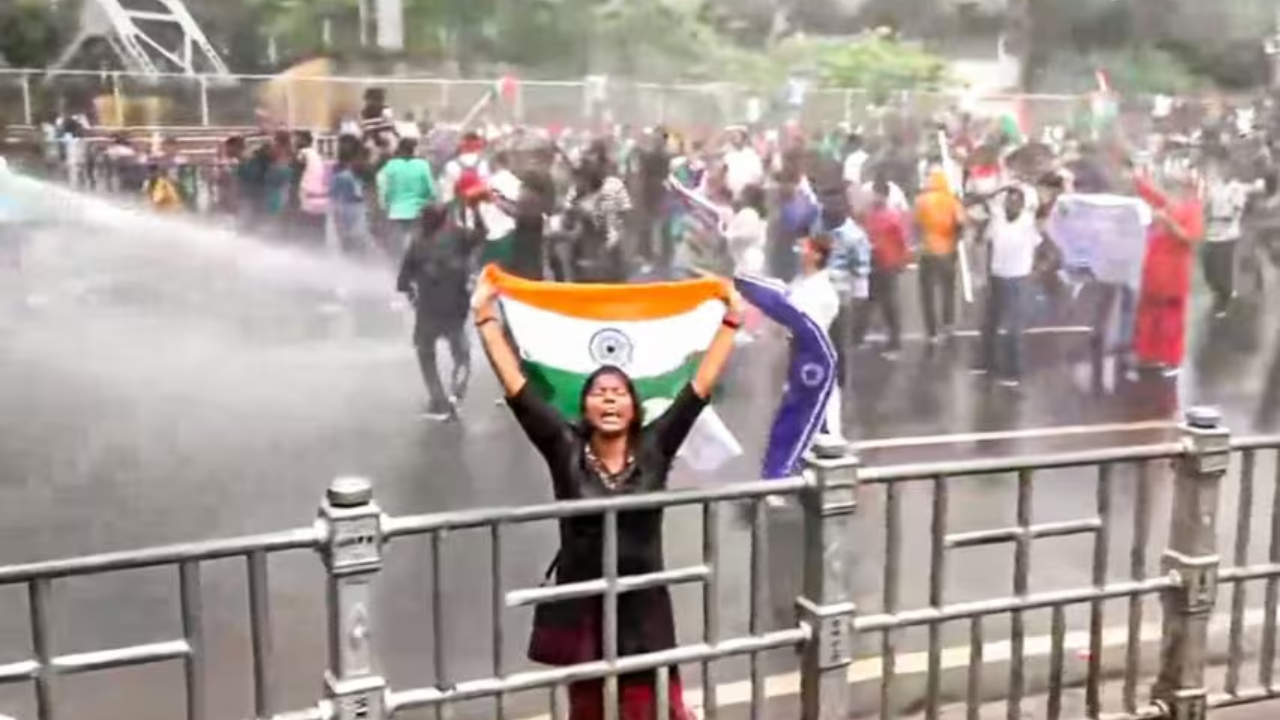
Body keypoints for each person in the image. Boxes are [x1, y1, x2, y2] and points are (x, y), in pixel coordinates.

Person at [471, 275, 743, 720]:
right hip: (584, 605)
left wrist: (732, 319)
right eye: (600, 393)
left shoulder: (655, 449)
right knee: (589, 709)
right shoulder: (564, 449)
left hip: (643, 606)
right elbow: (518, 389)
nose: (610, 400)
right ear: (585, 407)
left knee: (657, 705)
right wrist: (485, 317)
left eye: (619, 393)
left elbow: (698, 388)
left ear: (634, 407)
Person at [397, 205, 479, 420]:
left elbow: (403, 283)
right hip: (456, 309)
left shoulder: (417, 244)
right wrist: (476, 207)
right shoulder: (458, 236)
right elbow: (482, 233)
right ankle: (455, 396)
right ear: (445, 219)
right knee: (462, 356)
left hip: (427, 311)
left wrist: (415, 300)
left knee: (425, 353)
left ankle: (437, 397)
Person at [1131, 168, 1204, 377]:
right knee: (1147, 314)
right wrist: (1139, 176)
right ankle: (1146, 356)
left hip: (1174, 272)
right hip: (1154, 270)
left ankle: (1171, 360)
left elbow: (1190, 238)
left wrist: (1167, 222)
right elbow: (1149, 192)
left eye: (1181, 184)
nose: (1176, 188)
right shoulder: (1171, 204)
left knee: (1170, 317)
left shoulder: (1193, 210)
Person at [979, 186, 1040, 387]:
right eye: (1008, 201)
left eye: (1015, 202)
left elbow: (1041, 246)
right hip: (997, 278)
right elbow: (987, 243)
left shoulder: (1028, 223)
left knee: (1013, 329)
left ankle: (1014, 372)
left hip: (1018, 280)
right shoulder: (997, 220)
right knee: (989, 324)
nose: (1011, 205)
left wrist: (1036, 269)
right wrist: (1003, 187)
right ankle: (987, 364)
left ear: (1022, 205)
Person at [789, 233, 843, 440]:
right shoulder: (801, 281)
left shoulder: (821, 291)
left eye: (805, 248)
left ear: (817, 256)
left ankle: (829, 442)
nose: (799, 252)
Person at [854, 180, 907, 358]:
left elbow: (901, 242)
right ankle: (858, 338)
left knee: (889, 304)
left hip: (887, 264)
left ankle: (895, 343)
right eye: (873, 193)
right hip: (873, 262)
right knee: (868, 301)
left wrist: (901, 261)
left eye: (878, 194)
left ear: (885, 196)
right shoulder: (869, 215)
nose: (874, 197)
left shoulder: (892, 217)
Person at [914, 169, 967, 342]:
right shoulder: (951, 201)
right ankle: (948, 324)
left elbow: (916, 224)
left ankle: (931, 332)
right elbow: (961, 223)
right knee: (948, 289)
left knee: (927, 292)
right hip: (947, 251)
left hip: (927, 251)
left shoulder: (921, 201)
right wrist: (955, 238)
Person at [377, 137, 437, 256]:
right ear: (414, 150)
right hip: (417, 210)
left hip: (395, 211)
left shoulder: (391, 165)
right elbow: (431, 188)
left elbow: (381, 181)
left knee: (396, 242)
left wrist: (383, 202)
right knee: (416, 240)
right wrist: (431, 199)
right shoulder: (422, 165)